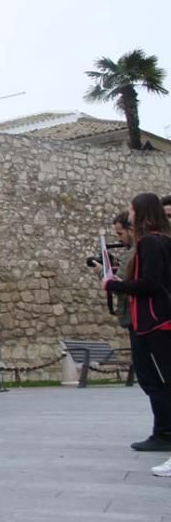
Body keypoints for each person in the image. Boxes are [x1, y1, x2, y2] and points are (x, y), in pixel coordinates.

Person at [102, 193, 171, 456]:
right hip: (157, 320)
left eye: (131, 210)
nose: (129, 215)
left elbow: (150, 284)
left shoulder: (150, 243)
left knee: (154, 378)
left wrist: (112, 284)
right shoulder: (163, 241)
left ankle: (164, 431)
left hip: (152, 321)